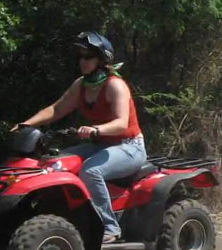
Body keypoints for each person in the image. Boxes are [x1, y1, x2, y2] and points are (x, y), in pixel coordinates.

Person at [13, 31, 146, 243]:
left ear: (101, 59)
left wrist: (95, 130)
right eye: (80, 56)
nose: (82, 61)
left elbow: (121, 123)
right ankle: (67, 217)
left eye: (88, 56)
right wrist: (26, 124)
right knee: (57, 164)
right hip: (102, 145)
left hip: (130, 147)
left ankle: (110, 227)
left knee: (91, 171)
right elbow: (56, 109)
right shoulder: (81, 85)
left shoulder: (115, 85)